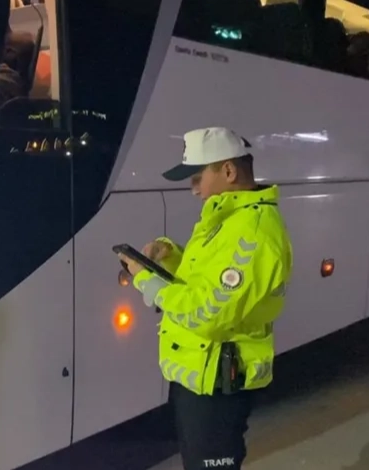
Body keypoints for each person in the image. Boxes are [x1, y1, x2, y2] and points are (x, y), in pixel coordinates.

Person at [118, 127, 293, 470]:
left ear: (228, 171)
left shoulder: (253, 231)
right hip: (202, 374)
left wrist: (145, 279)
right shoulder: (228, 218)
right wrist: (169, 255)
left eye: (198, 177)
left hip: (219, 381)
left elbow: (207, 312)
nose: (194, 188)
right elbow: (206, 282)